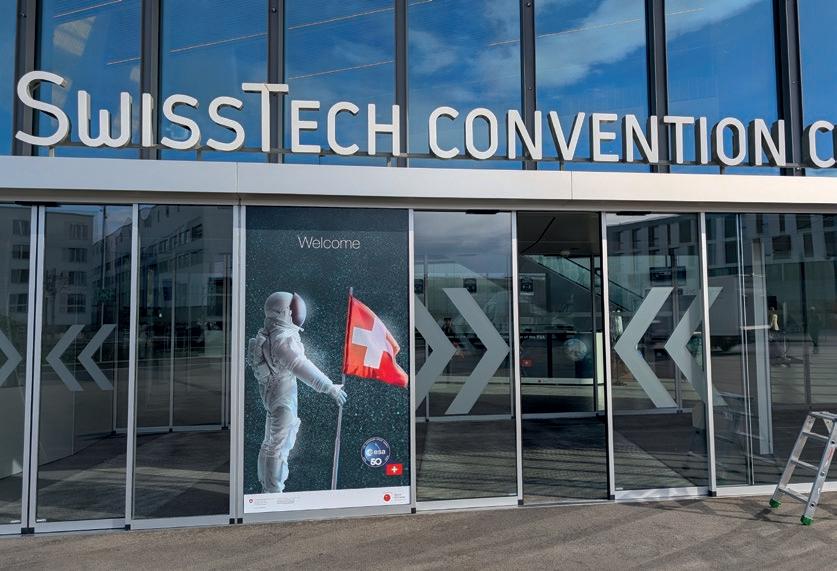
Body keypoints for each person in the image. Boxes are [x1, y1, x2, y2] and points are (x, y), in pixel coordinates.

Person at [248, 291, 347, 493]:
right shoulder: (281, 340)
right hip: (282, 401)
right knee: (279, 446)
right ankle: (273, 491)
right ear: (283, 313)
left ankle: (268, 488)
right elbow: (300, 365)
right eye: (293, 309)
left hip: (275, 398)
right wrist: (329, 387)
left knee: (271, 443)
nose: (298, 313)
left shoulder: (270, 335)